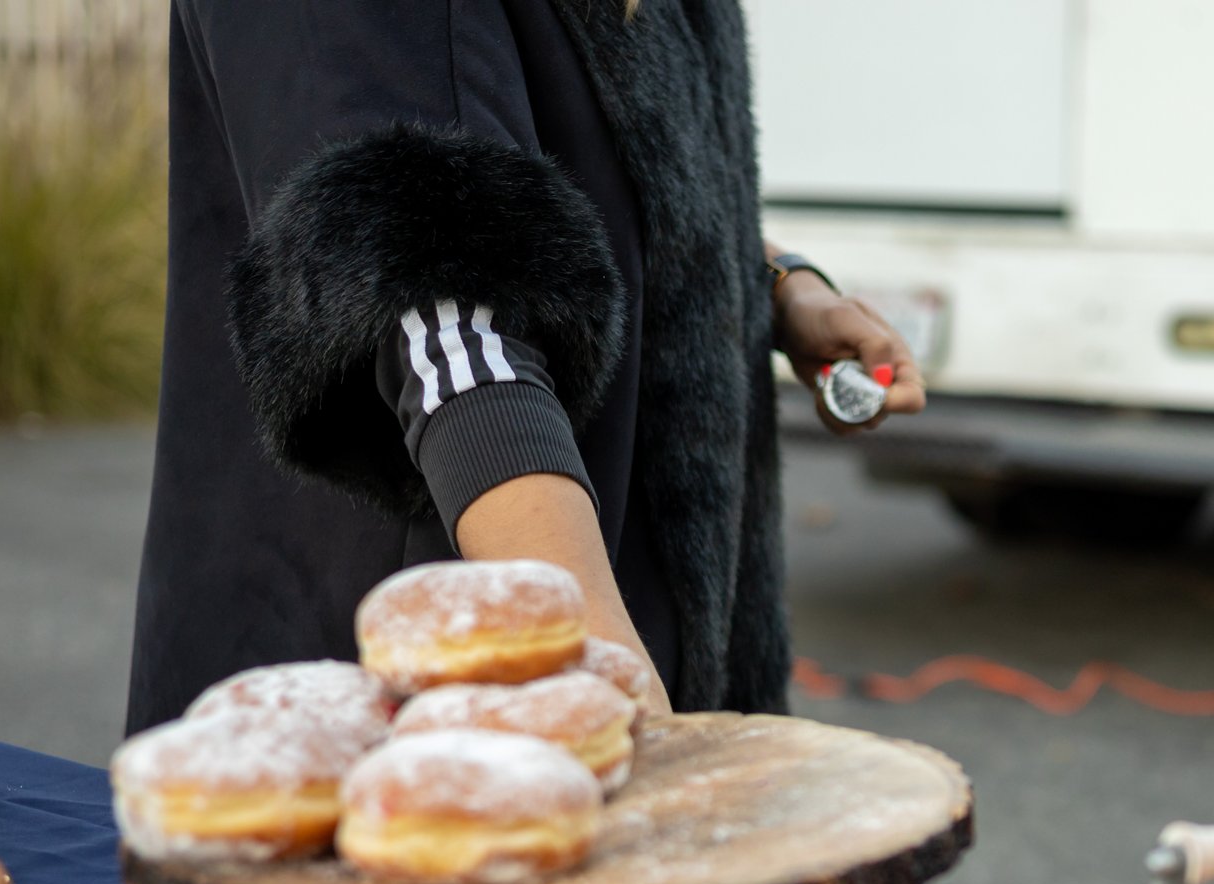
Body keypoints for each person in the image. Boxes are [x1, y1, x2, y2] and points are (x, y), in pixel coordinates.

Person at [126, 1, 920, 732]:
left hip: (656, 649)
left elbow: (627, 178)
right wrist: (601, 665)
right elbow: (428, 281)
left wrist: (779, 285)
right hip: (414, 711)